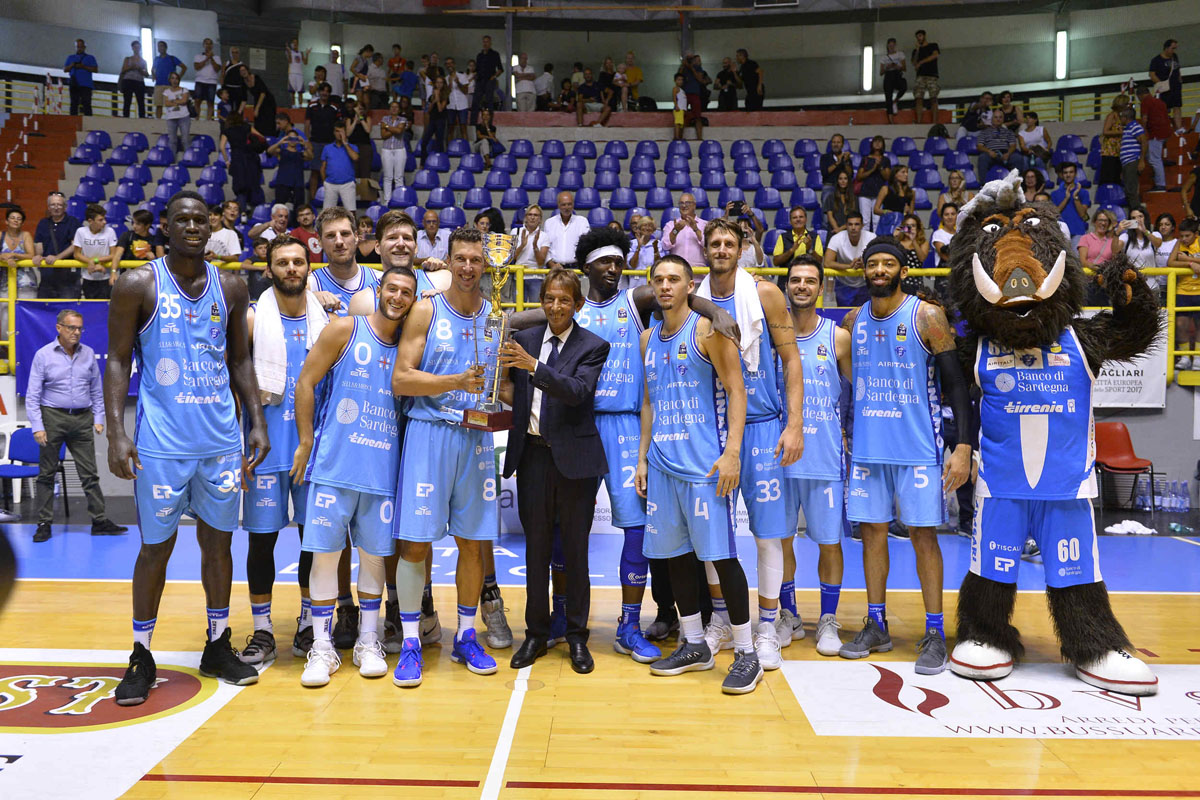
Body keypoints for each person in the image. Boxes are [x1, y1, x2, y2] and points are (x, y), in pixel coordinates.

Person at [105, 190, 267, 705]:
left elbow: (240, 360)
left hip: (220, 443)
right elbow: (117, 360)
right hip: (162, 445)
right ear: (166, 227)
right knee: (156, 549)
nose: (193, 227)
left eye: (201, 220)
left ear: (211, 227)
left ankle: (217, 644)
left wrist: (256, 422)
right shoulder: (137, 284)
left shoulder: (232, 285)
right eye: (183, 220)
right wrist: (117, 432)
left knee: (218, 546)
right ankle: (141, 654)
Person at [837, 236, 972, 674]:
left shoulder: (926, 315)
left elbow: (956, 385)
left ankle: (934, 632)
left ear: (903, 271)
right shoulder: (854, 320)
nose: (879, 270)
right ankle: (876, 624)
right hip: (869, 450)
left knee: (923, 537)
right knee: (872, 535)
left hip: (917, 449)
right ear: (864, 270)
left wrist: (963, 446)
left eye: (888, 264)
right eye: (873, 263)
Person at [634, 254, 760, 694]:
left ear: (690, 286)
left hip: (706, 466)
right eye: (659, 280)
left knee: (721, 558)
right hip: (663, 464)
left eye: (674, 279)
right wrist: (642, 458)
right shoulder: (647, 339)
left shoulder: (707, 330)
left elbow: (737, 390)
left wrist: (732, 453)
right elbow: (648, 403)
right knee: (676, 558)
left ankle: (746, 653)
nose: (665, 286)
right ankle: (694, 644)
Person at [288, 253, 413, 686]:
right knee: (325, 556)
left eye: (407, 293)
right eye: (392, 289)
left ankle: (368, 640)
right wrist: (306, 440)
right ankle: (322, 648)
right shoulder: (344, 329)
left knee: (374, 559)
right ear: (379, 291)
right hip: (335, 465)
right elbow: (305, 382)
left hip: (382, 471)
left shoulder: (409, 349)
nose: (398, 297)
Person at [389, 227, 501, 688]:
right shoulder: (426, 309)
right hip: (429, 433)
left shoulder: (495, 316)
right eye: (461, 259)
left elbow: (495, 384)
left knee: (473, 543)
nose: (468, 267)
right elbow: (401, 379)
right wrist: (455, 382)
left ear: (485, 265)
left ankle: (466, 635)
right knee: (416, 545)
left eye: (476, 259)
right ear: (449, 261)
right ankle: (411, 642)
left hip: (475, 438)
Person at [695, 218, 804, 672]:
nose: (722, 249)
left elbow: (791, 359)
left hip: (762, 426)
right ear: (704, 249)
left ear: (741, 249)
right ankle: (722, 621)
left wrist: (794, 424)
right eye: (715, 243)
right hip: (711, 430)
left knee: (767, 535)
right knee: (713, 535)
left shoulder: (765, 294)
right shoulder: (692, 299)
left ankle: (768, 627)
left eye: (729, 243)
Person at [499, 268, 609, 673]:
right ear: (541, 301)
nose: (556, 306)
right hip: (533, 458)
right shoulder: (525, 340)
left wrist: (534, 367)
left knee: (576, 554)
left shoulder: (593, 345)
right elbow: (509, 391)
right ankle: (535, 634)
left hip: (576, 463)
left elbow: (577, 391)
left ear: (577, 304)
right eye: (549, 298)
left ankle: (577, 637)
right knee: (536, 553)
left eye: (564, 300)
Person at [235, 235, 329, 664]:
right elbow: (234, 381)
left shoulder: (327, 321)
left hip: (314, 451)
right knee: (261, 544)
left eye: (298, 262)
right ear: (269, 269)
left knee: (314, 543)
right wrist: (236, 445)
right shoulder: (254, 320)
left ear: (308, 268)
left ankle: (308, 624)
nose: (292, 268)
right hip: (265, 450)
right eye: (283, 262)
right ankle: (263, 630)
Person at [781, 255, 850, 655]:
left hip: (824, 454)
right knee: (780, 540)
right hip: (780, 455)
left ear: (821, 288)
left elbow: (857, 390)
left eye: (809, 280)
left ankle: (827, 618)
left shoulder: (837, 337)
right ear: (786, 287)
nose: (802, 286)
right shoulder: (774, 336)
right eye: (795, 280)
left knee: (829, 541)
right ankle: (788, 615)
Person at [25, 309, 127, 543]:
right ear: (59, 328)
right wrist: (37, 426)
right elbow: (33, 394)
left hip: (82, 419)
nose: (77, 332)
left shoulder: (88, 354)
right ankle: (44, 523)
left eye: (80, 328)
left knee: (89, 474)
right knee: (47, 474)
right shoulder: (43, 355)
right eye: (71, 328)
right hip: (52, 418)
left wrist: (98, 419)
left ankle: (99, 521)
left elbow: (96, 389)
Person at [309, 207, 379, 316]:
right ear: (319, 241)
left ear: (356, 237)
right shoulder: (310, 286)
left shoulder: (379, 280)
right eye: (330, 235)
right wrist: (309, 299)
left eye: (345, 234)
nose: (339, 242)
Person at [823, 210, 876, 307]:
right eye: (850, 224)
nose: (853, 228)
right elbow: (827, 262)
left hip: (865, 283)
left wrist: (864, 264)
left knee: (866, 314)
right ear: (846, 226)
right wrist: (849, 266)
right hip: (843, 284)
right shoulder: (837, 238)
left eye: (857, 224)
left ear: (862, 225)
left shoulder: (871, 237)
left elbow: (878, 260)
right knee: (844, 314)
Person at [34, 193, 81, 299]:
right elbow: (39, 243)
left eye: (59, 205)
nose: (56, 207)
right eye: (53, 205)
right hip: (47, 275)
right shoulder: (43, 223)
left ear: (65, 207)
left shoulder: (73, 222)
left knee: (68, 306)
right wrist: (38, 255)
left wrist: (57, 257)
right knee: (45, 306)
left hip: (68, 276)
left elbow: (75, 245)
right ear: (48, 207)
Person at [1168, 217, 1200, 370]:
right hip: (1182, 290)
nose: (1184, 239)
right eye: (1182, 236)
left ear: (1195, 234)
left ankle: (1198, 357)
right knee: (1181, 325)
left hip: (1199, 290)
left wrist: (1186, 257)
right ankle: (1185, 356)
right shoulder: (1178, 243)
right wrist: (1190, 263)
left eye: (1187, 236)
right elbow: (1170, 262)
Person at [221, 112, 266, 214]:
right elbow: (261, 137)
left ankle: (242, 214)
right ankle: (259, 213)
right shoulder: (247, 127)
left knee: (240, 189)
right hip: (251, 158)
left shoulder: (227, 131)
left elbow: (222, 147)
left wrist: (227, 161)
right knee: (254, 186)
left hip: (237, 160)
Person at [72, 204, 117, 299]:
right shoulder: (80, 231)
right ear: (90, 221)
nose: (104, 222)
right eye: (100, 220)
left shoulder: (110, 231)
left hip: (106, 277)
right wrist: (90, 262)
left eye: (104, 219)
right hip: (88, 276)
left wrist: (95, 261)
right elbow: (76, 254)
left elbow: (113, 255)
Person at [305, 83, 340, 201]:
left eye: (327, 91)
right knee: (314, 172)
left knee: (329, 172)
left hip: (330, 144)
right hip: (315, 143)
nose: (324, 93)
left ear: (329, 93)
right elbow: (307, 125)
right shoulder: (311, 106)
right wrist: (308, 141)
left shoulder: (334, 107)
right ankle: (313, 200)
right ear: (319, 92)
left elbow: (338, 126)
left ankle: (329, 199)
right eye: (323, 90)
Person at [512, 204, 552, 301]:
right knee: (518, 308)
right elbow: (511, 258)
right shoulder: (515, 232)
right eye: (530, 214)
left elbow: (541, 262)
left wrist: (535, 246)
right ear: (525, 217)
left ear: (540, 219)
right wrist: (522, 245)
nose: (532, 217)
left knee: (535, 308)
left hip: (536, 277)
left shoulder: (544, 236)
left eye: (536, 215)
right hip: (518, 276)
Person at [321, 120, 358, 214]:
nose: (339, 134)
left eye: (342, 131)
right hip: (330, 184)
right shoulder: (327, 148)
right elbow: (323, 167)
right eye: (337, 131)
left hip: (347, 183)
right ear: (334, 132)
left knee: (351, 213)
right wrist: (325, 182)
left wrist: (345, 143)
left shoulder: (353, 147)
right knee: (327, 213)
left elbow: (355, 157)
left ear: (345, 132)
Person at [0, 206, 37, 304]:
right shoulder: (0, 235)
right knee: (5, 312)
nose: (15, 220)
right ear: (6, 221)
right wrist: (3, 257)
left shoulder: (26, 235)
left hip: (25, 281)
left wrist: (13, 255)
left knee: (26, 309)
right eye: (12, 218)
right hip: (4, 282)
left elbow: (31, 255)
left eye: (19, 219)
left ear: (22, 223)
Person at [661, 194, 708, 269]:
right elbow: (665, 246)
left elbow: (708, 244)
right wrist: (675, 230)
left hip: (699, 272)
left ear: (694, 205)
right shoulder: (671, 225)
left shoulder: (705, 225)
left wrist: (696, 229)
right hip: (677, 271)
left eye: (688, 203)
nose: (684, 206)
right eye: (681, 203)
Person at [1138, 85, 1171, 193]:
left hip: (1155, 133)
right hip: (1165, 132)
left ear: (1140, 95)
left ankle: (1160, 184)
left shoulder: (1145, 102)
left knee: (1154, 159)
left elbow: (1144, 118)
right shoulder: (1160, 102)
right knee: (1152, 157)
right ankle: (1158, 178)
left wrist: (1143, 132)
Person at [772, 206, 824, 273]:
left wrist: (810, 249)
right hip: (787, 277)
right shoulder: (783, 237)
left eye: (801, 217)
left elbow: (819, 261)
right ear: (790, 221)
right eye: (794, 217)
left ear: (806, 219)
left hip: (809, 275)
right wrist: (792, 250)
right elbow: (776, 262)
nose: (798, 219)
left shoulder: (814, 237)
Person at [543, 191, 589, 267]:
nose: (566, 208)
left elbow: (586, 246)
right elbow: (545, 246)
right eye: (563, 205)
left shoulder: (582, 222)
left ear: (573, 204)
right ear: (558, 205)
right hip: (554, 267)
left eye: (569, 204)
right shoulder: (549, 223)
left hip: (576, 267)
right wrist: (551, 264)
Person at [856, 136, 891, 231]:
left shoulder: (885, 160)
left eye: (880, 142)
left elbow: (887, 177)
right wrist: (873, 169)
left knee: (877, 221)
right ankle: (865, 241)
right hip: (865, 193)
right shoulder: (865, 159)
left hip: (879, 193)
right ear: (872, 144)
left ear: (883, 144)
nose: (877, 143)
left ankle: (877, 240)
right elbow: (859, 177)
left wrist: (880, 167)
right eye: (875, 141)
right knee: (865, 221)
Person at [1149, 38, 1184, 133]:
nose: (1174, 51)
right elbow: (1152, 74)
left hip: (1176, 87)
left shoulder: (1175, 57)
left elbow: (1177, 69)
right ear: (1166, 48)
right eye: (1173, 48)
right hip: (1164, 88)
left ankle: (1179, 127)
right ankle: (1165, 126)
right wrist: (1160, 84)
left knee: (1177, 106)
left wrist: (1180, 79)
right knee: (1163, 108)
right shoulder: (1156, 60)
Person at [1051, 163, 1092, 243]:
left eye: (1071, 172)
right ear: (1062, 175)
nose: (1068, 175)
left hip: (1078, 231)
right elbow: (1054, 213)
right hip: (1060, 232)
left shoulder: (1083, 193)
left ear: (1075, 174)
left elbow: (1083, 214)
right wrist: (1066, 198)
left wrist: (1075, 197)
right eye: (1065, 173)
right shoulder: (1054, 194)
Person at [1078, 208, 1125, 276]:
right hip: (1089, 276)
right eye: (1100, 220)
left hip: (1106, 276)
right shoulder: (1085, 238)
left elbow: (1115, 258)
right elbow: (1082, 261)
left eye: (1106, 221)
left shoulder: (1113, 241)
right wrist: (1091, 266)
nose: (1103, 223)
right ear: (1094, 222)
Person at [378, 101, 409, 202]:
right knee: (387, 177)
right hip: (386, 149)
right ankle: (387, 201)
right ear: (389, 109)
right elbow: (383, 135)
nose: (394, 109)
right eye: (392, 107)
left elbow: (399, 131)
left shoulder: (403, 119)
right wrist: (395, 129)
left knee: (399, 177)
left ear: (399, 109)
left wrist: (387, 127)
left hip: (399, 149)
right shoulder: (384, 119)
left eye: (396, 107)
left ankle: (399, 200)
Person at [1119, 105, 1148, 214]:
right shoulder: (1127, 129)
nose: (1120, 119)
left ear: (1126, 118)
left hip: (1132, 161)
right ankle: (1134, 213)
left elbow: (1144, 142)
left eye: (1122, 117)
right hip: (1127, 163)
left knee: (1131, 191)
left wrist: (1141, 160)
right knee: (1129, 190)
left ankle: (1137, 214)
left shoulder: (1135, 127)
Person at [977, 112, 1023, 178]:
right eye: (996, 117)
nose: (998, 119)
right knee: (982, 158)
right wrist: (989, 151)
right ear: (992, 119)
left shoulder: (1009, 132)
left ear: (1003, 119)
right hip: (990, 154)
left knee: (1017, 158)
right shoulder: (984, 132)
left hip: (1006, 154)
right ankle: (984, 182)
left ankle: (1015, 181)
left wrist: (1008, 154)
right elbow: (979, 146)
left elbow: (1013, 145)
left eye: (1000, 117)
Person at [157, 72, 192, 155]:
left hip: (184, 117)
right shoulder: (166, 91)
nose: (174, 80)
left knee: (185, 140)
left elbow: (184, 101)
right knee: (172, 140)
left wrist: (172, 101)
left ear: (179, 80)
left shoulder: (184, 90)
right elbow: (166, 103)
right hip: (171, 118)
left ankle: (188, 157)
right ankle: (172, 158)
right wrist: (178, 101)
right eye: (172, 78)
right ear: (169, 80)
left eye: (176, 78)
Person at [896, 214, 931, 295]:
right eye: (907, 226)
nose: (910, 228)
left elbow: (922, 258)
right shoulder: (897, 242)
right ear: (903, 228)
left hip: (916, 282)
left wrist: (913, 240)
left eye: (913, 226)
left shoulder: (923, 242)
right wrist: (895, 237)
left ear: (918, 228)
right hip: (900, 281)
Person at [471, 35, 503, 124]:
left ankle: (489, 124)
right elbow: (477, 69)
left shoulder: (495, 54)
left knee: (489, 102)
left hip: (489, 80)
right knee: (475, 102)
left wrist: (494, 77)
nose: (485, 44)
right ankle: (473, 123)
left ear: (490, 43)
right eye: (484, 42)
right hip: (480, 81)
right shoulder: (479, 55)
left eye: (487, 42)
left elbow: (500, 69)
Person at [911, 30, 940, 125]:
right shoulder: (916, 50)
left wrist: (921, 62)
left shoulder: (933, 46)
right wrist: (917, 50)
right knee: (918, 98)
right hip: (920, 75)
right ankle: (919, 121)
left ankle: (934, 122)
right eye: (917, 37)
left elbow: (935, 55)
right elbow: (914, 63)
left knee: (933, 98)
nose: (919, 38)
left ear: (924, 36)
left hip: (932, 75)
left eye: (920, 36)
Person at [419, 75, 450, 162]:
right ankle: (422, 162)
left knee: (439, 142)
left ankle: (440, 162)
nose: (439, 84)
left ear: (443, 84)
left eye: (441, 83)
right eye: (437, 82)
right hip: (432, 120)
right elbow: (428, 110)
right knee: (424, 141)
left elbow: (440, 109)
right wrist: (433, 101)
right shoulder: (431, 96)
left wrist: (437, 99)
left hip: (441, 120)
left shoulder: (445, 96)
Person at [152, 41, 186, 119]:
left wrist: (178, 78)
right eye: (159, 46)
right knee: (159, 105)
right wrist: (153, 75)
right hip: (159, 84)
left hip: (169, 85)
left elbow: (184, 67)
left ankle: (172, 120)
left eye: (162, 46)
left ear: (165, 47)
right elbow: (152, 68)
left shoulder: (172, 58)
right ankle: (158, 120)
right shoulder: (156, 59)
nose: (160, 48)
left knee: (171, 105)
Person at [242, 66, 278, 139]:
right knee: (258, 120)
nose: (243, 72)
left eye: (244, 70)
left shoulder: (256, 78)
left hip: (267, 101)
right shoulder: (244, 82)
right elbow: (244, 98)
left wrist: (257, 108)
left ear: (248, 70)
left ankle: (270, 138)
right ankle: (260, 138)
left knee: (268, 120)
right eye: (241, 71)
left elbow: (263, 93)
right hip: (257, 100)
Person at [1099, 95, 1129, 186]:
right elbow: (1105, 131)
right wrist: (1120, 132)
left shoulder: (1120, 117)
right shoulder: (1112, 116)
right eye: (1126, 104)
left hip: (1117, 150)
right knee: (1109, 176)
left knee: (1116, 176)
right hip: (1110, 151)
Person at [64, 39, 98, 116]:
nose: (79, 49)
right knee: (74, 103)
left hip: (86, 85)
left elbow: (95, 69)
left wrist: (83, 66)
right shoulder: (71, 57)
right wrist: (72, 65)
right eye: (78, 47)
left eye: (81, 47)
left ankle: (88, 121)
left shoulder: (90, 58)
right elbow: (65, 69)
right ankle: (73, 120)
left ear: (84, 47)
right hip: (74, 84)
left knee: (86, 104)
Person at [119, 41, 150, 119]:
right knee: (127, 101)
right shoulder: (128, 59)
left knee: (141, 101)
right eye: (135, 47)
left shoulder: (143, 61)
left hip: (139, 82)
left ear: (140, 48)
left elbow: (147, 74)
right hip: (128, 81)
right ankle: (126, 117)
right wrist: (131, 67)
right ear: (132, 48)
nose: (137, 49)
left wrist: (140, 69)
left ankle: (142, 118)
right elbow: (123, 70)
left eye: (138, 47)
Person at [820, 134, 856, 202]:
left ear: (842, 144)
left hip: (843, 187)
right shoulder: (825, 157)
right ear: (831, 144)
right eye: (834, 142)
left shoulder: (846, 158)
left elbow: (850, 175)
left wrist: (846, 161)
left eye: (838, 142)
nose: (836, 144)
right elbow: (824, 173)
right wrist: (838, 162)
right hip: (829, 185)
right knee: (826, 202)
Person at [193, 38, 222, 121]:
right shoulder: (198, 56)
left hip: (211, 81)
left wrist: (211, 58)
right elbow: (197, 67)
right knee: (197, 100)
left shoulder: (217, 57)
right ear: (203, 45)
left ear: (212, 46)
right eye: (206, 44)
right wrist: (206, 58)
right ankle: (197, 117)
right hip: (200, 80)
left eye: (210, 44)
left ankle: (208, 119)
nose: (208, 45)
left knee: (210, 101)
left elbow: (217, 69)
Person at [879, 38, 907, 122]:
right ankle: (891, 120)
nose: (891, 47)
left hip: (897, 74)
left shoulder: (900, 54)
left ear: (895, 46)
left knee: (903, 87)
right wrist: (887, 67)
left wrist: (896, 66)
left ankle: (895, 100)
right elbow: (881, 72)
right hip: (888, 75)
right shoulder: (884, 57)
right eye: (890, 46)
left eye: (893, 45)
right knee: (888, 97)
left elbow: (904, 68)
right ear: (887, 46)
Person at [285, 39, 311, 108]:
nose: (295, 44)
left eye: (296, 43)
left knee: (300, 92)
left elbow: (305, 63)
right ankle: (293, 106)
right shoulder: (289, 52)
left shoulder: (301, 53)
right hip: (292, 73)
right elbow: (290, 61)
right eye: (293, 43)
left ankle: (300, 106)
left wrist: (307, 54)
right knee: (292, 91)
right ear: (291, 44)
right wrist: (289, 52)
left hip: (299, 74)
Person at [930, 202, 957, 267]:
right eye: (946, 214)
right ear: (942, 217)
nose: (950, 217)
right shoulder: (938, 234)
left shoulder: (960, 233)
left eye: (953, 214)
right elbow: (944, 256)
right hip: (944, 270)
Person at [223, 46, 247, 112]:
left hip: (238, 89)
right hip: (228, 88)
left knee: (239, 109)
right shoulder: (226, 64)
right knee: (228, 108)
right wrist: (223, 90)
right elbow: (222, 76)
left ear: (239, 54)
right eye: (233, 52)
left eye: (236, 52)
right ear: (230, 54)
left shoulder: (242, 65)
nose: (234, 54)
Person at [671, 74, 687, 142]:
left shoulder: (682, 90)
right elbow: (674, 98)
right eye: (679, 80)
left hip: (682, 109)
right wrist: (676, 106)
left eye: (682, 80)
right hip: (678, 109)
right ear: (675, 81)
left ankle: (680, 137)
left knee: (681, 124)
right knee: (677, 123)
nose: (680, 81)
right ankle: (676, 137)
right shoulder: (675, 88)